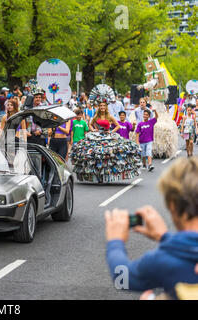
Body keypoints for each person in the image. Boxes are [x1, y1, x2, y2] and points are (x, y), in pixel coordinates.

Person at [105, 157, 198, 299]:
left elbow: (122, 279)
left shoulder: (164, 260)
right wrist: (165, 237)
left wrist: (115, 242)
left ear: (172, 205)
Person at [70, 85, 142, 183]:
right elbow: (90, 124)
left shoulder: (110, 116)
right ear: (99, 107)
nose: (102, 107)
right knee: (93, 154)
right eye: (101, 106)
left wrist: (111, 132)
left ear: (106, 107)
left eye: (104, 106)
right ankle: (97, 174)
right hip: (97, 136)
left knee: (110, 155)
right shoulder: (96, 115)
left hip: (108, 136)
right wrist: (93, 130)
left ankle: (107, 175)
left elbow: (117, 126)